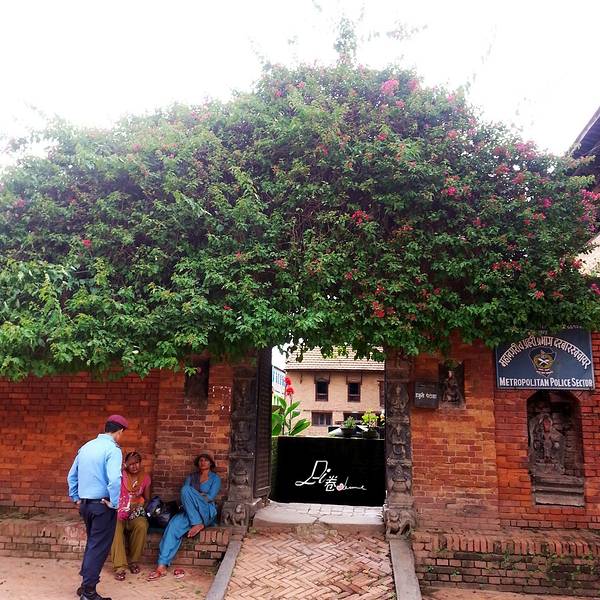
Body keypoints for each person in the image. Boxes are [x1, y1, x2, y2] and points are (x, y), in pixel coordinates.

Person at [67, 415, 128, 600]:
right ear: (120, 432)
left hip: (86, 505)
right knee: (98, 547)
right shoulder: (113, 450)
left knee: (93, 545)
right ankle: (89, 593)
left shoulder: (86, 447)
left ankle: (85, 585)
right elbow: (115, 479)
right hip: (103, 506)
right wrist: (115, 503)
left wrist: (76, 498)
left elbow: (71, 476)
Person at [147, 451, 221, 581]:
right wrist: (193, 497)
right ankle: (161, 565)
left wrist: (194, 496)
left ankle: (197, 522)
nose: (203, 462)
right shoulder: (191, 478)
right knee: (172, 527)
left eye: (206, 460)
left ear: (211, 463)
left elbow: (210, 497)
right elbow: (184, 497)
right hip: (189, 512)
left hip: (206, 510)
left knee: (187, 490)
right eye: (201, 460)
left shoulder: (215, 478)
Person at [109, 451, 151, 581]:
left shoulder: (145, 478)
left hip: (135, 511)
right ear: (126, 464)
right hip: (119, 510)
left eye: (137, 463)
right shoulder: (120, 476)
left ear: (140, 463)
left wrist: (138, 509)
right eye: (131, 463)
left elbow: (147, 499)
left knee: (142, 525)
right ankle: (120, 567)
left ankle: (134, 561)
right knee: (114, 528)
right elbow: (110, 486)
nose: (134, 466)